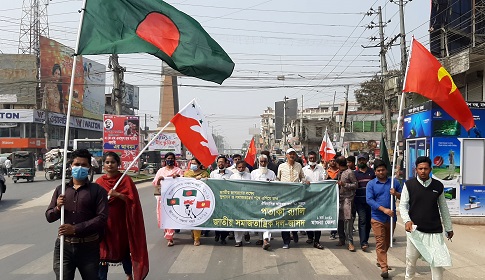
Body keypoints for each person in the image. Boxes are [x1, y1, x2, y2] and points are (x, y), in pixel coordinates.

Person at [45, 149, 108, 280]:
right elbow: (49, 217)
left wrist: (75, 228)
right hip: (64, 246)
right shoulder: (61, 190)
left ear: (89, 167)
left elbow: (102, 218)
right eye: (76, 164)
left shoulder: (98, 191)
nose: (80, 168)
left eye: (84, 165)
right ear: (70, 166)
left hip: (88, 247)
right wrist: (57, 208)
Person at [96, 152, 149, 280]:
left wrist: (118, 195)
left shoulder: (125, 180)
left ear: (118, 164)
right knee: (102, 253)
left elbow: (133, 201)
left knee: (124, 249)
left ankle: (129, 275)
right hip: (104, 223)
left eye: (113, 162)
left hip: (121, 223)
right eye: (107, 162)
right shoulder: (99, 181)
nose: (110, 165)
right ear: (103, 165)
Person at [399, 156, 453, 280]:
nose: (423, 171)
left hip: (434, 231)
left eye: (426, 168)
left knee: (437, 263)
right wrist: (407, 221)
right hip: (415, 231)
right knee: (411, 262)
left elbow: (443, 208)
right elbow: (402, 205)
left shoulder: (438, 186)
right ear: (416, 170)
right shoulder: (409, 185)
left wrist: (448, 227)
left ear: (431, 169)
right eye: (420, 168)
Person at [366, 159, 401, 279]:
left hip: (391, 218)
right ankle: (384, 267)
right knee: (380, 242)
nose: (381, 172)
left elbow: (403, 196)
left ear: (387, 170)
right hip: (377, 218)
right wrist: (384, 209)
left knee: (387, 241)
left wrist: (395, 193)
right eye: (378, 170)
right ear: (375, 172)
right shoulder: (371, 184)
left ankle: (379, 259)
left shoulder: (394, 182)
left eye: (383, 170)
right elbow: (369, 200)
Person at [276, 148, 307, 249]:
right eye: (290, 154)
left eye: (293, 154)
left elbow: (302, 177)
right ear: (286, 156)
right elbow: (277, 179)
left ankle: (294, 232)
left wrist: (304, 181)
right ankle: (286, 241)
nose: (292, 156)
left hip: (296, 195)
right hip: (284, 196)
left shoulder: (299, 166)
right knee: (284, 218)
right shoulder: (281, 166)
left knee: (294, 215)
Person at [153, 152, 184, 247]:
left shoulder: (178, 170)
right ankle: (166, 231)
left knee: (171, 216)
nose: (170, 160)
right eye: (168, 158)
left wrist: (178, 178)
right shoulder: (161, 171)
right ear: (165, 160)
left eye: (171, 158)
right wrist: (159, 179)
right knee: (161, 216)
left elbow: (183, 182)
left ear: (174, 160)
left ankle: (170, 237)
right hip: (162, 197)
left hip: (173, 198)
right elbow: (155, 183)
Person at [251, 154, 276, 250]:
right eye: (261, 161)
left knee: (267, 219)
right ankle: (261, 238)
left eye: (264, 161)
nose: (263, 163)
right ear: (258, 162)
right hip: (257, 200)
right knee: (259, 220)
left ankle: (266, 239)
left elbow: (275, 185)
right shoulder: (253, 173)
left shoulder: (272, 173)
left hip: (268, 200)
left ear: (267, 162)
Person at [183, 157, 209, 246]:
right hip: (188, 198)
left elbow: (208, 184)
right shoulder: (187, 174)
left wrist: (202, 179)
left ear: (199, 164)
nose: (193, 165)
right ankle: (193, 232)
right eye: (192, 163)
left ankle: (197, 238)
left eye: (195, 163)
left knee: (197, 218)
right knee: (189, 217)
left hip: (199, 198)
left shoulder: (204, 173)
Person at [302, 151, 325, 250]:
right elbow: (301, 181)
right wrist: (304, 182)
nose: (312, 160)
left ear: (316, 158)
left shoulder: (321, 169)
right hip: (307, 197)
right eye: (310, 158)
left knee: (317, 219)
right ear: (308, 159)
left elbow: (325, 180)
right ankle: (310, 236)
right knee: (308, 218)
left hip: (319, 198)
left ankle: (317, 240)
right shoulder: (304, 170)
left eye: (313, 158)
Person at [335, 156, 358, 252]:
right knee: (340, 220)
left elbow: (355, 185)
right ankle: (341, 238)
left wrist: (344, 185)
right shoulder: (339, 173)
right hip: (339, 199)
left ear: (338, 164)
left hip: (348, 199)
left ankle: (350, 242)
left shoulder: (350, 172)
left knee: (348, 219)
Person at [354, 152, 375, 252]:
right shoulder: (355, 173)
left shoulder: (372, 172)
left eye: (363, 159)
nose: (361, 161)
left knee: (368, 221)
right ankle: (363, 242)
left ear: (367, 161)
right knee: (362, 220)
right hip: (359, 200)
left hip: (370, 201)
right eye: (360, 160)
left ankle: (365, 239)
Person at [210, 155, 233, 244]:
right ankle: (217, 234)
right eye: (219, 162)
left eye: (222, 162)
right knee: (217, 217)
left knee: (225, 218)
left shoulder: (231, 174)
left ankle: (223, 237)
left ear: (226, 163)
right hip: (216, 199)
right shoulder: (213, 174)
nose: (221, 163)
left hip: (227, 200)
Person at [230, 160, 252, 247]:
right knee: (237, 221)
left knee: (247, 219)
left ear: (245, 168)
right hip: (237, 202)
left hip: (248, 201)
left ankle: (246, 232)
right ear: (236, 168)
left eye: (243, 167)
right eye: (239, 167)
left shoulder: (250, 176)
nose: (241, 169)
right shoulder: (232, 177)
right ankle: (238, 240)